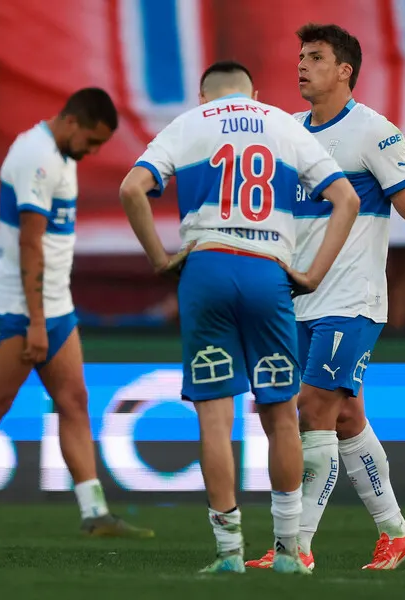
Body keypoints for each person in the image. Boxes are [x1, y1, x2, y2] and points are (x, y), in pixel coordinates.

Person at [119, 61, 360, 574]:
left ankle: (229, 552)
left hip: (205, 267)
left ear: (203, 93)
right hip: (267, 271)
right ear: (255, 91)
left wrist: (161, 261)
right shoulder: (281, 123)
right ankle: (290, 552)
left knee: (215, 416)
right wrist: (313, 273)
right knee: (279, 416)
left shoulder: (189, 123)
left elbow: (131, 189)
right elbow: (347, 198)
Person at [246, 23, 405, 572]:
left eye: (315, 57)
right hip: (299, 300)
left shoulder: (375, 133)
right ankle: (395, 533)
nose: (301, 65)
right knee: (345, 418)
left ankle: (295, 548)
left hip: (353, 299)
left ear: (345, 70)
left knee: (312, 410)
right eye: (299, 56)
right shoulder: (290, 131)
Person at [0, 88, 154, 539]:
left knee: (74, 402)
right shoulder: (37, 157)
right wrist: (37, 322)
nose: (94, 151)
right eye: (93, 141)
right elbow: (30, 244)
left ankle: (95, 513)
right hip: (22, 311)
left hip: (56, 306)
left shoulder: (61, 157)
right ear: (71, 122)